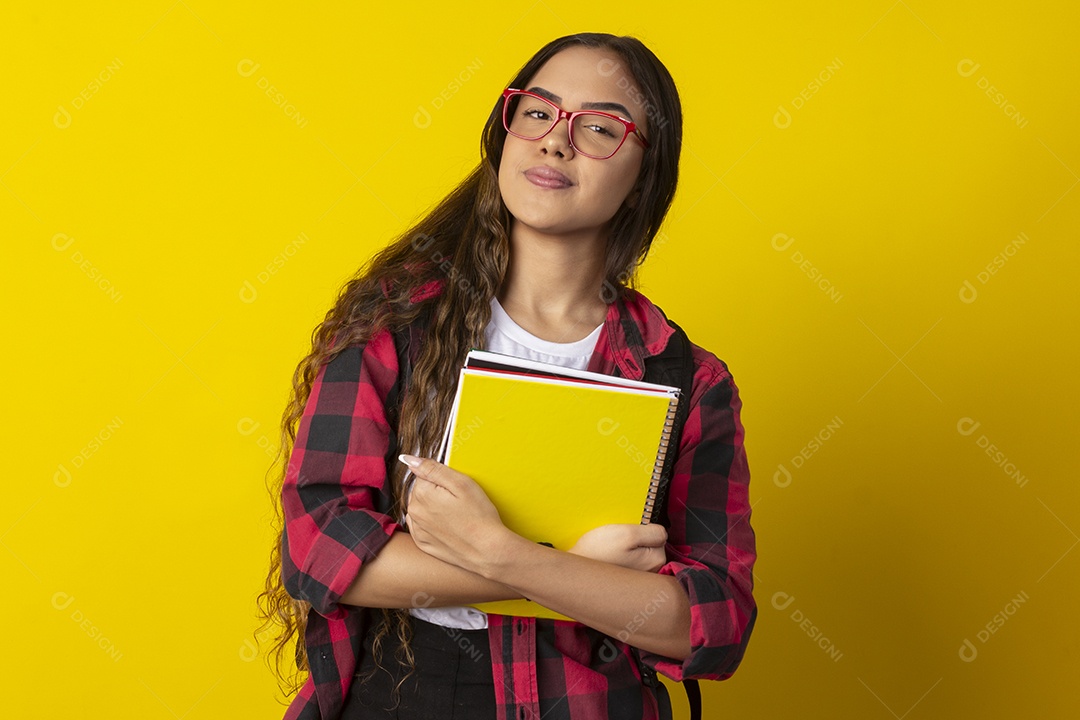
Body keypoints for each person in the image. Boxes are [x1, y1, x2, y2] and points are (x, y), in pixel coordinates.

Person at [255, 31, 757, 720]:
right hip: (399, 697)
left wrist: (508, 556)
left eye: (601, 128)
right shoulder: (396, 326)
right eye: (538, 112)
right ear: (506, 133)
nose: (556, 141)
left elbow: (714, 625)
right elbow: (318, 546)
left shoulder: (688, 378)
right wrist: (575, 572)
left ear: (646, 174)